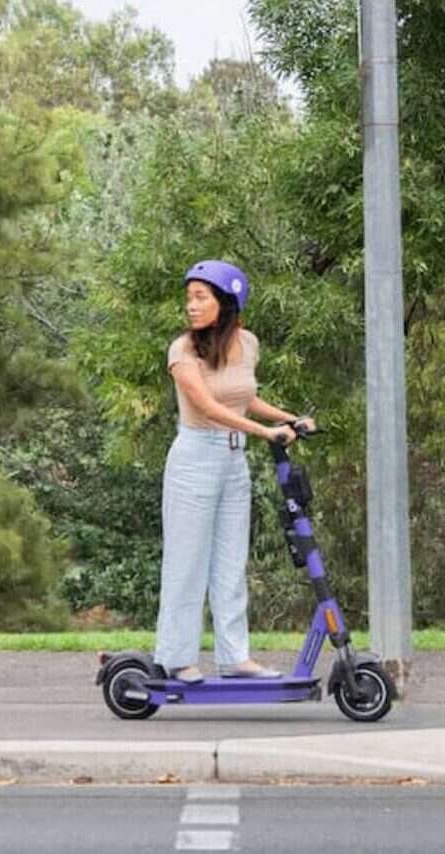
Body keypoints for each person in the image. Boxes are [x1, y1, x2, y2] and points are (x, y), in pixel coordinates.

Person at [155, 260, 315, 683]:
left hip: (233, 461)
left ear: (226, 303)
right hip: (195, 458)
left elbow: (244, 398)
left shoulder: (247, 342)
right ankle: (177, 658)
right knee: (187, 563)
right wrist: (266, 432)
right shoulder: (182, 350)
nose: (191, 306)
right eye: (189, 298)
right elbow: (208, 406)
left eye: (200, 297)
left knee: (230, 562)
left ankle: (235, 657)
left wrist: (290, 418)